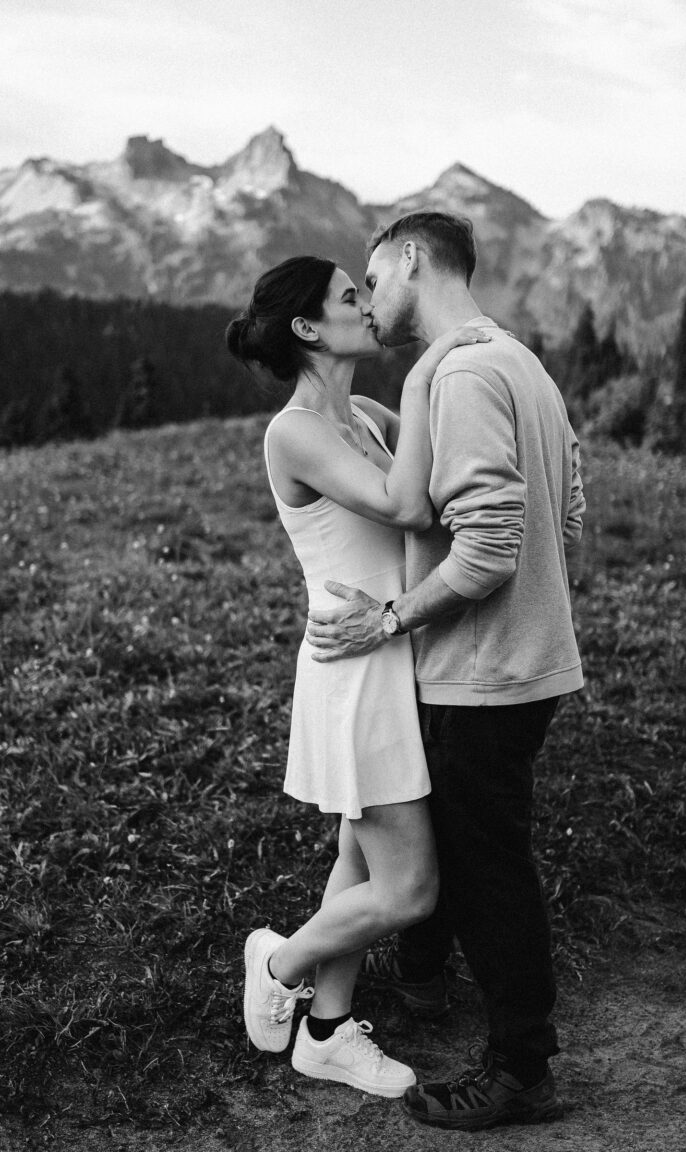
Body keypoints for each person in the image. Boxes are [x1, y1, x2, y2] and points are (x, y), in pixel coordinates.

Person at [304, 211, 586, 1131]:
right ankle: (424, 981)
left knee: (485, 868)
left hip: (483, 673)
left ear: (413, 261)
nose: (372, 303)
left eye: (375, 282)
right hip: (527, 662)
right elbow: (566, 512)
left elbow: (491, 546)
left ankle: (520, 1070)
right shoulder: (520, 362)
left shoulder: (460, 372)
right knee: (469, 843)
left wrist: (391, 617)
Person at [225, 256, 489, 1099]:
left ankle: (329, 1034)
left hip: (389, 650)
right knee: (410, 888)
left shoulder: (364, 414)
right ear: (309, 329)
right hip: (353, 673)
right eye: (350, 296)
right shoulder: (293, 431)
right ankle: (281, 961)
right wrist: (424, 380)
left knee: (358, 856)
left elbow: (448, 488)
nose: (368, 305)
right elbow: (407, 506)